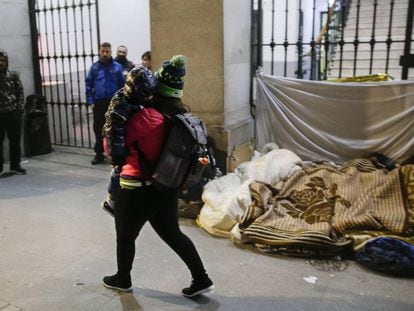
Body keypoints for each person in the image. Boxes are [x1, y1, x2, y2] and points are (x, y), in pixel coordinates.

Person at [102, 55, 214, 298]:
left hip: (138, 187)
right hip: (166, 185)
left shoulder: (147, 117)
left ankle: (122, 278)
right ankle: (201, 277)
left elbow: (110, 148)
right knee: (173, 233)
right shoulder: (179, 115)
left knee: (125, 235)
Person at [101, 66, 157, 216]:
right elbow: (114, 131)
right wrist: (117, 156)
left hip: (127, 136)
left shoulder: (137, 98)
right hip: (115, 138)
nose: (148, 98)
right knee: (117, 170)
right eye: (145, 94)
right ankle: (112, 201)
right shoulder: (120, 105)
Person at [86, 42, 125, 165]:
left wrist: (120, 102)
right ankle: (99, 154)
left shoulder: (117, 67)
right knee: (98, 129)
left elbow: (122, 86)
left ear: (111, 52)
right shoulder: (95, 68)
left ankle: (114, 154)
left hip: (113, 103)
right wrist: (91, 102)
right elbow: (88, 85)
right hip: (99, 104)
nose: (105, 54)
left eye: (107, 51)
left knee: (114, 129)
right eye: (102, 51)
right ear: (99, 52)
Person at [0, 50, 26, 175]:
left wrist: (19, 109)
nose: (0, 63)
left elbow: (20, 93)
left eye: (3, 60)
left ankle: (15, 165)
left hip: (12, 113)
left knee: (15, 140)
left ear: (6, 62)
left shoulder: (13, 75)